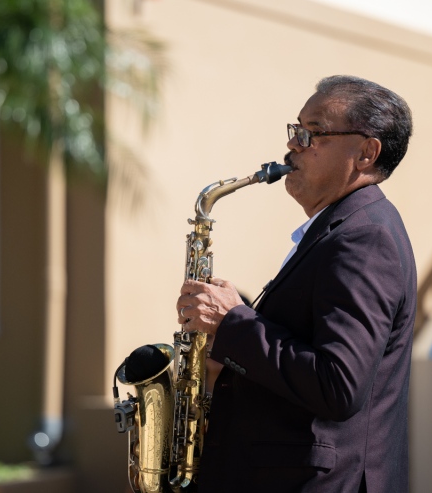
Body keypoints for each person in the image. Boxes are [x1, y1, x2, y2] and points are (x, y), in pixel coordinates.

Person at [175, 75, 416, 493]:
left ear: (365, 152)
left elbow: (338, 384)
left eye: (314, 133)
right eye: (296, 130)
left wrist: (233, 322)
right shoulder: (344, 229)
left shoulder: (364, 237)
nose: (294, 145)